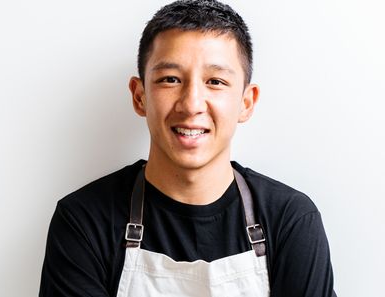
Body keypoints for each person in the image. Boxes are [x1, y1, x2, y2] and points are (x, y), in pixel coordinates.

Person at [39, 0, 336, 296]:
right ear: (140, 96)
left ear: (246, 103)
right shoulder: (84, 221)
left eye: (215, 81)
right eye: (170, 79)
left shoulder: (290, 220)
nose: (192, 104)